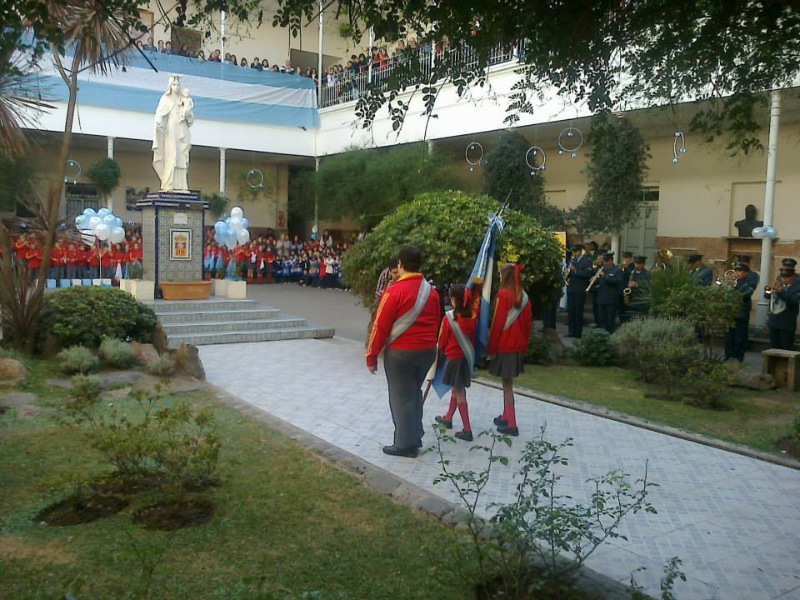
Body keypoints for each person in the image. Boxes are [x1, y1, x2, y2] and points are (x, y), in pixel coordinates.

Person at [366, 245, 440, 458]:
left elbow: (380, 326)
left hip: (401, 354)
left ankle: (405, 445)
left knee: (401, 398)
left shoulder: (394, 292)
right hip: (426, 352)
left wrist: (371, 355)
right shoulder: (432, 292)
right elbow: (437, 321)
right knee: (413, 394)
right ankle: (414, 436)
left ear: (400, 264)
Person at [488, 263, 532, 437]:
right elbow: (528, 326)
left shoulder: (503, 295)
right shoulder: (525, 297)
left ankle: (512, 423)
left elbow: (498, 323)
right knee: (507, 383)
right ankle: (506, 415)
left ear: (504, 276)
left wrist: (491, 347)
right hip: (518, 346)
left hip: (504, 345)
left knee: (507, 385)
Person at [434, 284, 477, 442]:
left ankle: (467, 429)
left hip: (453, 358)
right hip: (465, 358)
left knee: (459, 392)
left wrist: (439, 353)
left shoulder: (450, 318)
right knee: (456, 388)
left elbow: (443, 339)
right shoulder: (472, 316)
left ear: (454, 300)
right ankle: (448, 418)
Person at [724, 263, 756, 362]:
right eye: (736, 271)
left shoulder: (748, 283)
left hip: (742, 313)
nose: (737, 273)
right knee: (728, 336)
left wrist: (734, 287)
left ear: (745, 273)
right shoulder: (732, 282)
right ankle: (728, 355)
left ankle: (738, 356)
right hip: (730, 312)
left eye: (740, 271)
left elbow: (745, 294)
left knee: (740, 336)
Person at [767, 265, 800, 351]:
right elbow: (766, 296)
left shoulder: (796, 287)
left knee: (786, 349)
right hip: (774, 322)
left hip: (787, 324)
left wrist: (781, 291)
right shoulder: (778, 284)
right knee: (773, 348)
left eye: (787, 277)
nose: (784, 279)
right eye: (783, 277)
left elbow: (794, 300)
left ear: (792, 277)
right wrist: (769, 289)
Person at [566, 243, 592, 338]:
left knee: (578, 311)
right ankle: (571, 331)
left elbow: (587, 274)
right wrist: (566, 272)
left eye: (576, 251)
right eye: (573, 251)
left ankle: (578, 333)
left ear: (580, 251)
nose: (574, 253)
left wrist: (575, 270)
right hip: (571, 288)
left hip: (579, 289)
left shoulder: (586, 261)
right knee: (571, 311)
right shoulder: (572, 260)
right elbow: (569, 272)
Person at [594, 252, 623, 333]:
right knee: (600, 320)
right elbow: (599, 283)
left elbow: (617, 281)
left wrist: (605, 276)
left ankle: (609, 338)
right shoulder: (601, 269)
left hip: (611, 300)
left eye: (607, 261)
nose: (605, 263)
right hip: (601, 299)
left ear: (611, 260)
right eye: (604, 261)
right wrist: (595, 280)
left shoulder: (617, 270)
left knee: (609, 321)